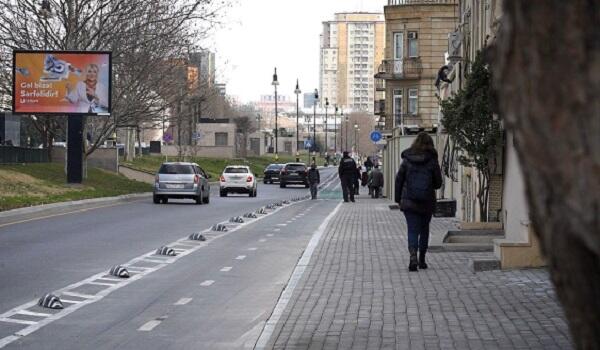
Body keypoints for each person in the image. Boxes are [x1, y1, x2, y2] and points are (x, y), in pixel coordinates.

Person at [395, 132, 442, 272]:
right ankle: (422, 259)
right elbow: (438, 183)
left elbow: (399, 180)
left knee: (412, 229)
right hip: (427, 202)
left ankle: (412, 256)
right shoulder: (432, 160)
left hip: (409, 201)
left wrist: (398, 199)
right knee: (424, 229)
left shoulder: (407, 160)